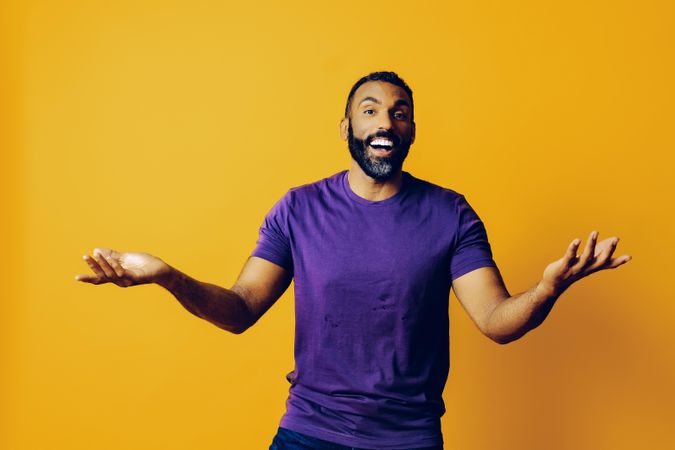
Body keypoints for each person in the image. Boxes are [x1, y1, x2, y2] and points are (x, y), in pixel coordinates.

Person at [75, 71, 632, 450]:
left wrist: (545, 291)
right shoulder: (298, 208)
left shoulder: (450, 213)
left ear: (411, 130)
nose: (384, 122)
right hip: (309, 433)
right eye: (369, 111)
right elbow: (242, 308)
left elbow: (495, 322)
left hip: (408, 439)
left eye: (399, 112)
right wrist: (169, 277)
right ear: (347, 129)